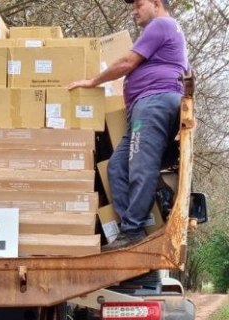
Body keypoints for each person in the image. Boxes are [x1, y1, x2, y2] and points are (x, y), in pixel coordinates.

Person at [68, 0, 188, 251]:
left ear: (156, 3)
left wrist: (93, 82)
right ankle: (133, 232)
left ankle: (132, 231)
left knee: (140, 166)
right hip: (146, 107)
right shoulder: (168, 31)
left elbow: (126, 63)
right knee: (117, 167)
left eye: (138, 4)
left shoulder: (161, 24)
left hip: (153, 103)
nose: (134, 10)